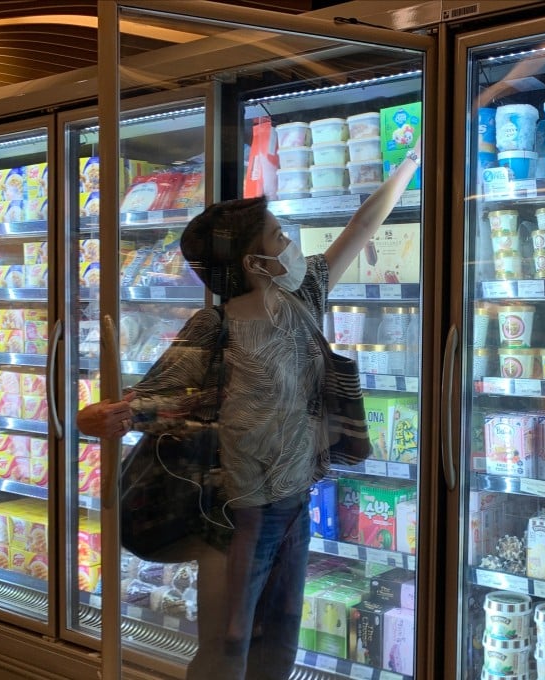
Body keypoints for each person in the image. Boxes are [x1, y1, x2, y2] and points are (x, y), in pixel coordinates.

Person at [77, 138, 422, 679]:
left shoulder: (303, 294)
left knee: (280, 632)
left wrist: (411, 163)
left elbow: (360, 228)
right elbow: (149, 401)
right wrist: (95, 418)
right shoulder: (213, 328)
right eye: (279, 236)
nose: (291, 243)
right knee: (228, 643)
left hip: (292, 503)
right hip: (232, 514)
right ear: (253, 262)